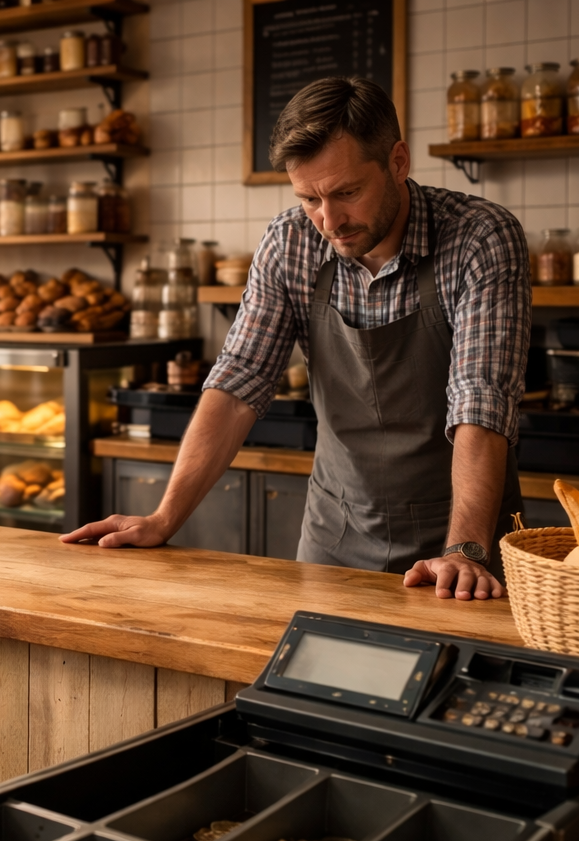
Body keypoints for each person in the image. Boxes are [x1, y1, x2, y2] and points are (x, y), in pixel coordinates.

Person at [63, 76, 530, 601]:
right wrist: (164, 516)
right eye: (309, 197)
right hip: (335, 540)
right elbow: (239, 382)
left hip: (466, 551)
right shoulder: (291, 241)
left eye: (347, 192)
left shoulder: (480, 236)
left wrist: (464, 551)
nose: (329, 220)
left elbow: (480, 402)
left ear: (398, 162)